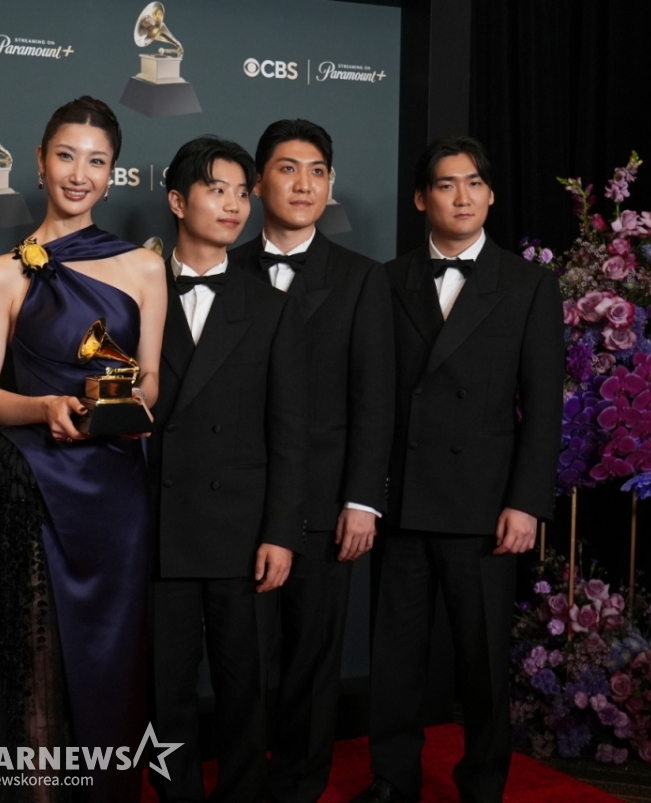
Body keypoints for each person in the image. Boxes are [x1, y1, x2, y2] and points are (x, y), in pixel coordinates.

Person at [0, 96, 167, 800]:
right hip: (35, 488)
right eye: (66, 155)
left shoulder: (145, 266)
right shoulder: (2, 273)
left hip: (116, 494)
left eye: (97, 160)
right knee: (38, 667)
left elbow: (150, 381)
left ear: (114, 173)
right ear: (40, 160)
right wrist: (45, 407)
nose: (79, 173)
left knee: (113, 663)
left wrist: (123, 409)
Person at [351, 135, 562, 803]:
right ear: (422, 198)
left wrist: (526, 502)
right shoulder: (388, 280)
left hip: (486, 505)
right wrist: (367, 496)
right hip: (406, 500)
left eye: (474, 183)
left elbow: (544, 405)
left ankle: (483, 782)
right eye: (446, 184)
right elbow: (374, 400)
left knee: (481, 661)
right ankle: (393, 776)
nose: (463, 196)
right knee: (395, 656)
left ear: (491, 193)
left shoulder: (530, 284)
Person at [229, 119, 395, 803]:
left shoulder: (361, 279)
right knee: (242, 661)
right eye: (289, 169)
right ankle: (239, 784)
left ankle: (298, 786)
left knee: (311, 660)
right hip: (238, 500)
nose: (304, 183)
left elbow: (374, 397)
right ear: (259, 181)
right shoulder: (223, 266)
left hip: (327, 503)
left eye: (318, 170)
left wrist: (363, 497)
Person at [148, 135, 308, 801]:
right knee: (164, 691)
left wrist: (280, 530)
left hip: (242, 532)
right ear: (178, 200)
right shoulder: (136, 293)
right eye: (219, 190)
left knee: (247, 688)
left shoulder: (270, 304)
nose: (235, 205)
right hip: (157, 527)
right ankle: (173, 793)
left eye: (243, 192)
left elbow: (290, 432)